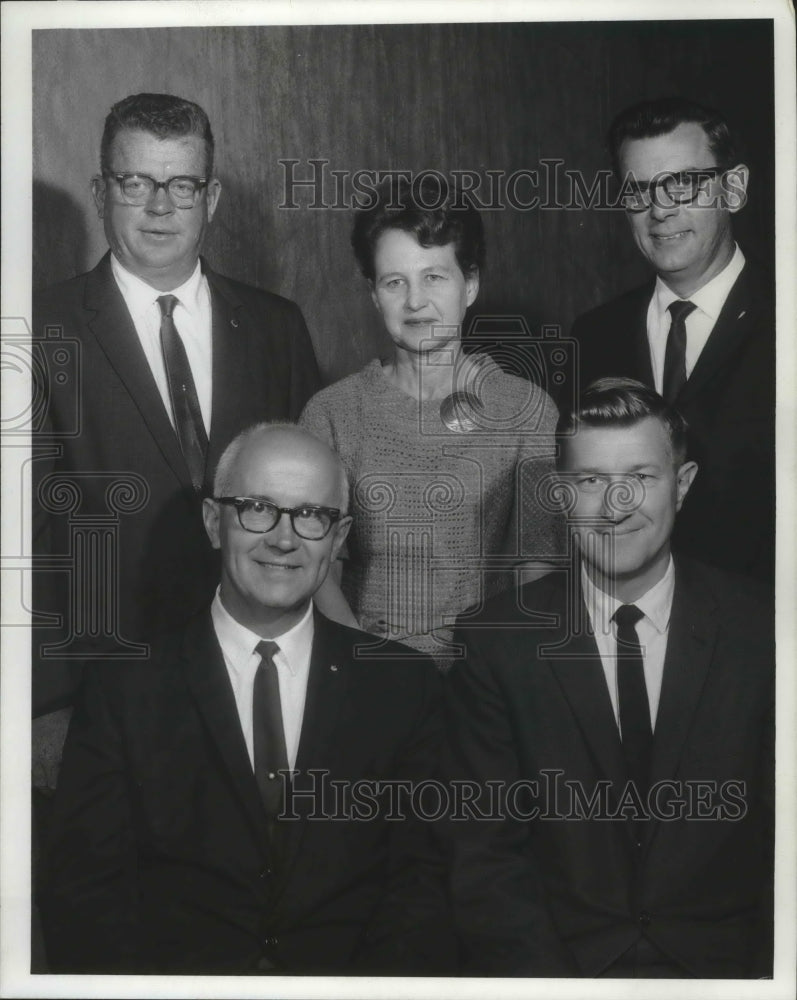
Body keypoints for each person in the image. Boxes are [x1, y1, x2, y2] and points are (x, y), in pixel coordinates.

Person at [40, 424, 453, 975]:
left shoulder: (402, 686)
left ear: (339, 536)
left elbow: (424, 888)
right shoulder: (124, 686)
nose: (284, 538)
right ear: (215, 522)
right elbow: (85, 896)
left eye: (311, 515)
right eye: (259, 508)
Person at [444, 379, 774, 978]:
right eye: (590, 480)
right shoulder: (494, 643)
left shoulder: (766, 632)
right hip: (560, 971)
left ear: (685, 484)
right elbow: (485, 861)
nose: (616, 503)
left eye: (643, 477)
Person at [32, 93, 321, 717]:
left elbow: (314, 513)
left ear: (209, 199)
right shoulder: (39, 330)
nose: (160, 206)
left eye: (182, 185)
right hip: (97, 694)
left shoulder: (277, 327)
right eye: (136, 182)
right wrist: (42, 709)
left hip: (258, 683)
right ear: (100, 191)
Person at [300, 178, 563, 665]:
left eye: (434, 277)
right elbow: (317, 572)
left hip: (487, 679)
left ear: (472, 285)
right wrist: (368, 667)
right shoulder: (332, 413)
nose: (414, 301)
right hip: (367, 671)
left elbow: (538, 574)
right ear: (374, 295)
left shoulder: (527, 410)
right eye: (394, 281)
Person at [570, 97, 774, 583]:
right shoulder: (594, 334)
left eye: (683, 184)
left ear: (734, 188)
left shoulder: (786, 319)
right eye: (638, 190)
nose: (659, 210)